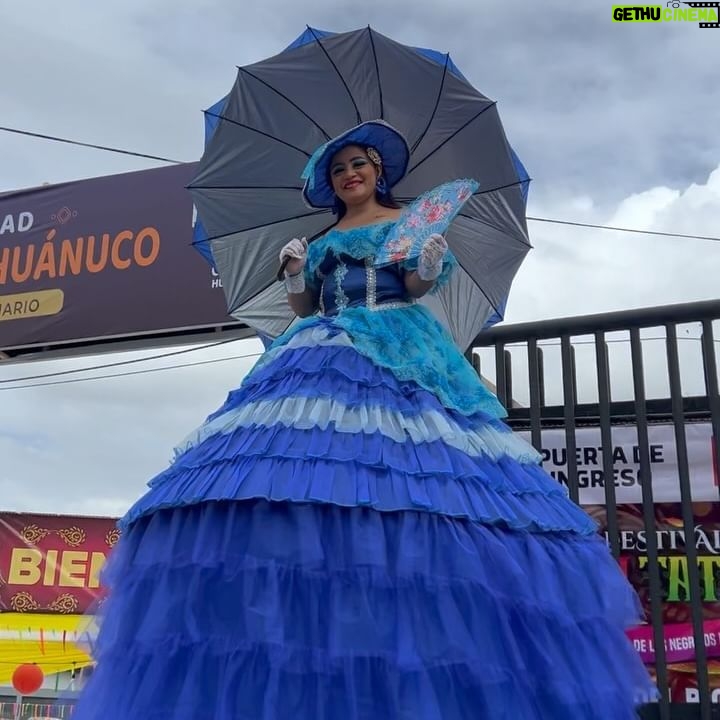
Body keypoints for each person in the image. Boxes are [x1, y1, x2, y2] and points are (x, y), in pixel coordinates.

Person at [71, 121, 657, 719]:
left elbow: (413, 284)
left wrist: (427, 261)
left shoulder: (408, 225)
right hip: (318, 347)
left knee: (418, 482)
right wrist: (297, 275)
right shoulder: (321, 240)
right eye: (338, 170)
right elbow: (304, 308)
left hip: (398, 344)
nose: (349, 175)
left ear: (379, 170)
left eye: (358, 165)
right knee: (293, 479)